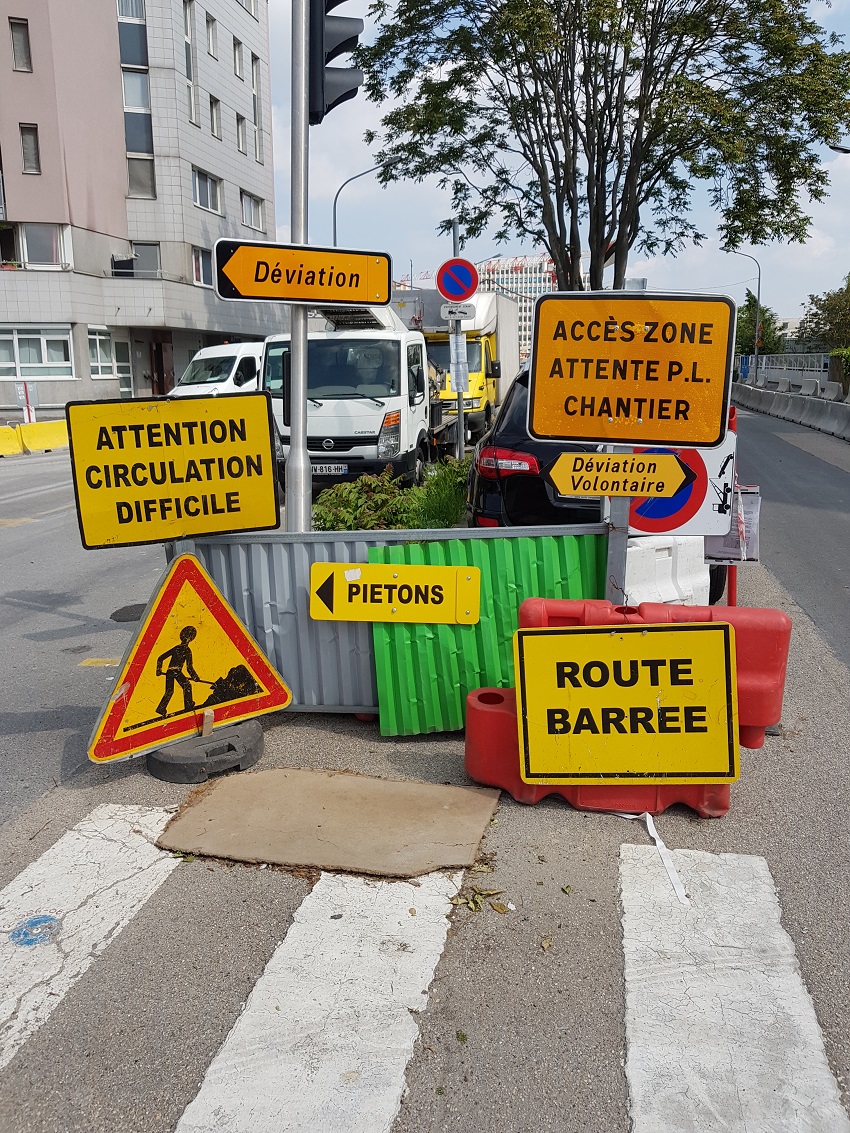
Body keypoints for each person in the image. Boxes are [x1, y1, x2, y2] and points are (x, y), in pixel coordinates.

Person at [155, 626, 203, 717]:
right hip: (176, 672)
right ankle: (188, 706)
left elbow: (160, 658)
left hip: (169, 672)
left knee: (169, 691)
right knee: (187, 685)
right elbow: (189, 667)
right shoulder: (187, 650)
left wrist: (159, 669)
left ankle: (161, 708)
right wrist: (194, 676)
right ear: (190, 639)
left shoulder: (176, 648)